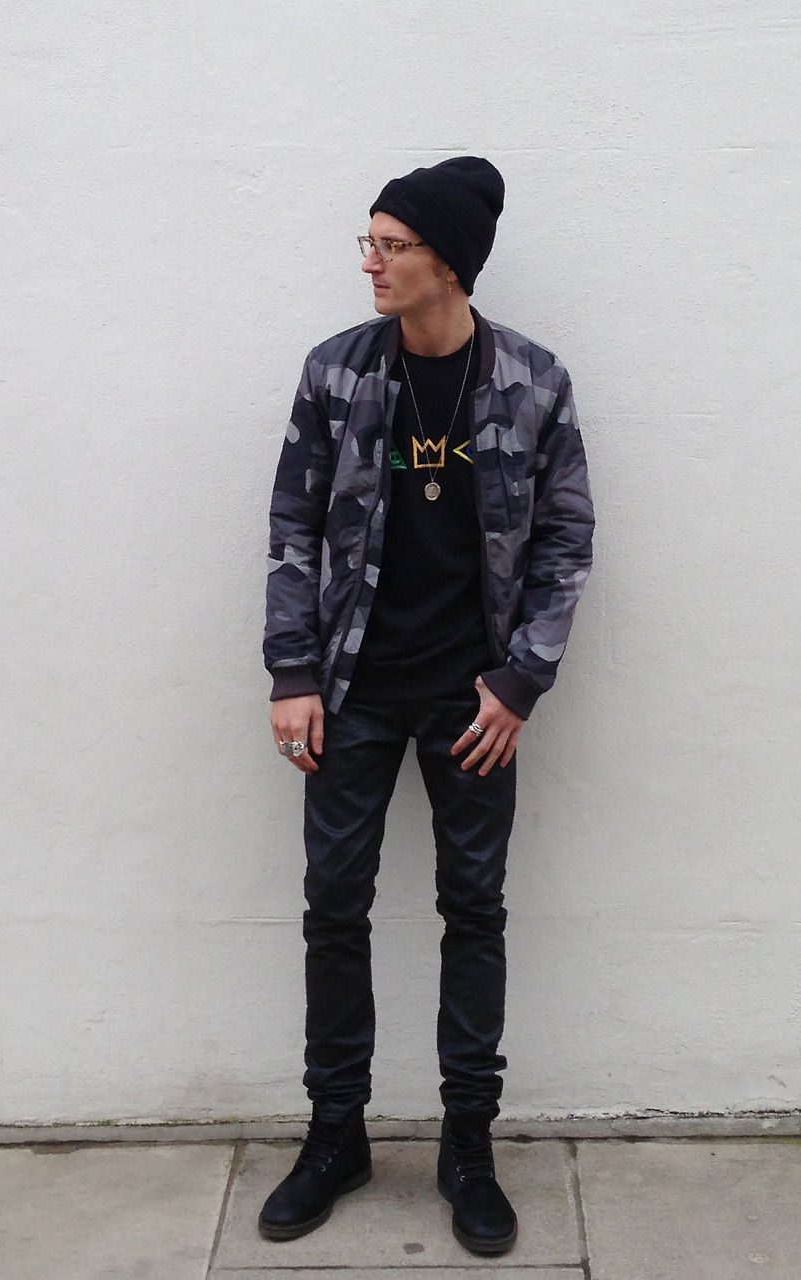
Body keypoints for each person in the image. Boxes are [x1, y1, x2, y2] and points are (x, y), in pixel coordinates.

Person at [259, 156, 594, 1255]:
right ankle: (335, 1136)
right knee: (332, 907)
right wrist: (292, 673)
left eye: (391, 245)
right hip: (352, 690)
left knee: (474, 910)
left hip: (473, 701)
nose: (371, 262)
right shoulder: (336, 373)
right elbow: (293, 526)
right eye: (369, 241)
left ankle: (467, 1148)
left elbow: (565, 539)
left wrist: (520, 678)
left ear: (447, 263)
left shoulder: (533, 382)